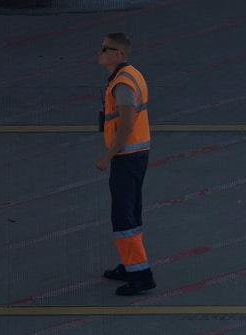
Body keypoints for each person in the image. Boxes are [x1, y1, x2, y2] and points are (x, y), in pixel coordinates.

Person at [95, 32, 155, 296]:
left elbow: (127, 125)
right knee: (130, 211)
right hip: (136, 154)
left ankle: (141, 276)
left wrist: (107, 156)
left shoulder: (123, 84)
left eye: (105, 49)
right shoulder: (130, 74)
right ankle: (130, 265)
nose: (100, 52)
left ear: (119, 54)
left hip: (127, 157)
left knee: (123, 216)